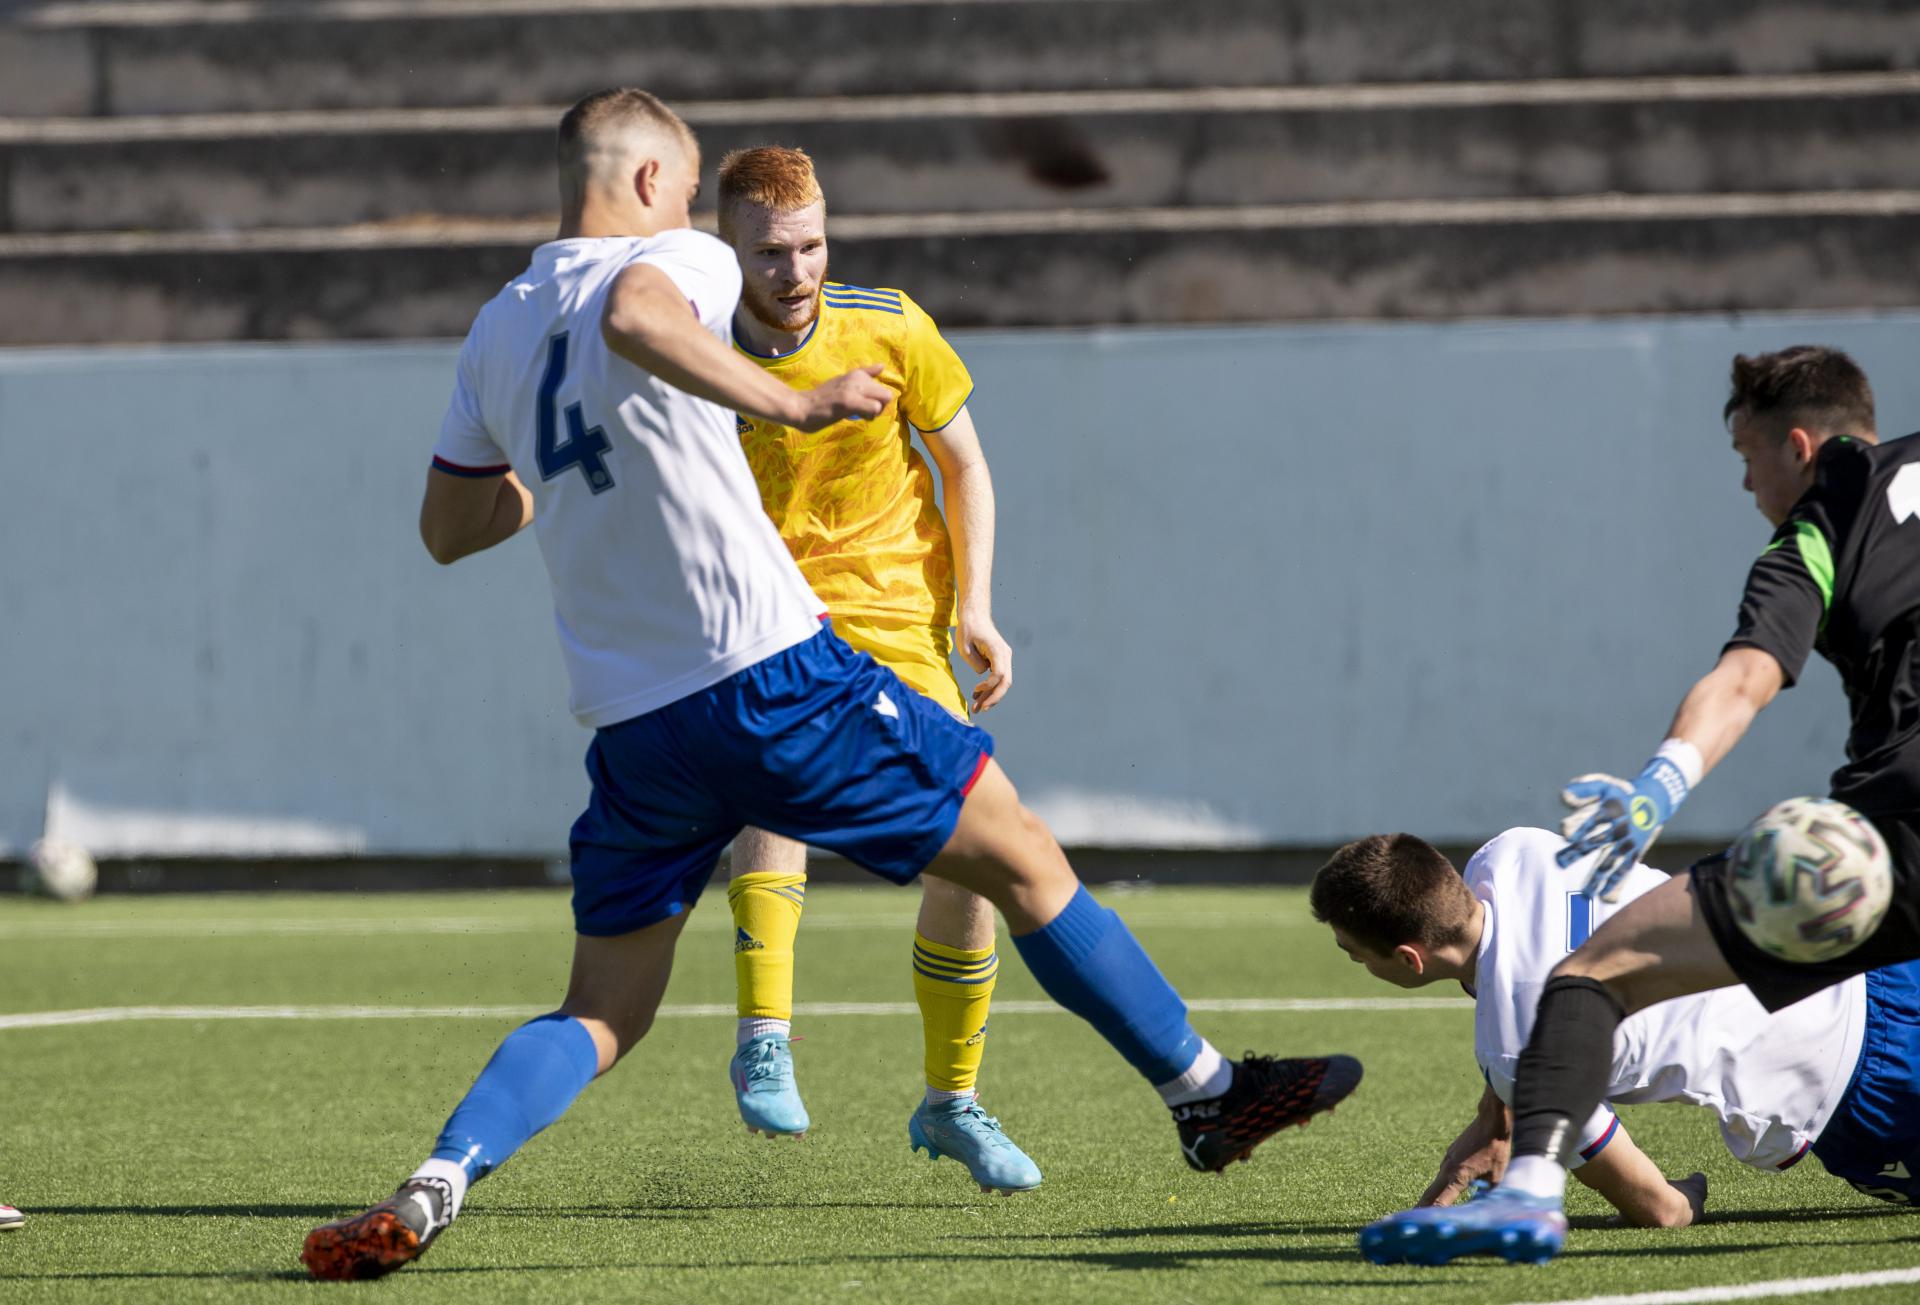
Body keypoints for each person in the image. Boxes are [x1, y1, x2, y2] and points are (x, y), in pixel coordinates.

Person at [298, 88, 1360, 1281]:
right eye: (691, 191)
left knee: (601, 1012)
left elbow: (450, 526)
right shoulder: (673, 258)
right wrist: (792, 399)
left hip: (634, 727)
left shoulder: (494, 329)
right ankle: (1208, 1094)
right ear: (654, 183)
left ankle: (437, 1179)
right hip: (764, 675)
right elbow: (642, 313)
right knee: (1023, 858)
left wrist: (555, 474)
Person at [1361, 345, 1920, 1265]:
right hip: (1863, 971)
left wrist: (1663, 779)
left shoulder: (1817, 532)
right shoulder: (1514, 855)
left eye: (1747, 460)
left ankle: (1533, 1196)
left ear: (1798, 445)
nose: (1745, 485)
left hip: (1888, 858)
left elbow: (1744, 678)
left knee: (1586, 980)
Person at [712, 144, 1036, 1194]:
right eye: (769, 251)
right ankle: (765, 1035)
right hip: (766, 613)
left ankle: (952, 1101)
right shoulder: (690, 341)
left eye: (809, 245)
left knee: (977, 849)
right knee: (779, 793)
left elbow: (966, 462)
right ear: (729, 248)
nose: (794, 271)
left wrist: (977, 606)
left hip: (902, 619)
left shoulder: (889, 323)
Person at [1310, 828, 1916, 1253]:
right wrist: (1495, 1119)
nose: (1354, 963)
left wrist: (1689, 1192)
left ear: (1411, 960)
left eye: (1353, 954)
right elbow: (1520, 972)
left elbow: (1661, 1210)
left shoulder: (1520, 1054)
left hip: (1855, 1083)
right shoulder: (1515, 851)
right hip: (1865, 960)